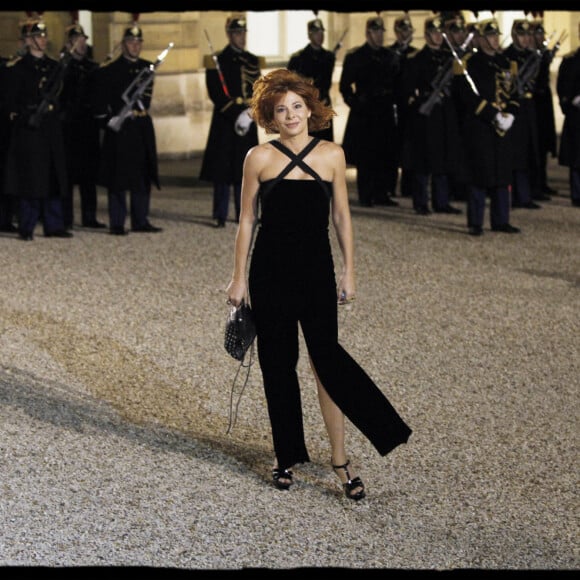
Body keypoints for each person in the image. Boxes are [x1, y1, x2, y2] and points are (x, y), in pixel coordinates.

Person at [226, 69, 412, 499]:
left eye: (296, 106)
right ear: (270, 116)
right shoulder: (258, 158)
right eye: (280, 110)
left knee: (326, 363)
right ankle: (285, 455)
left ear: (311, 108)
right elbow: (246, 221)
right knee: (278, 364)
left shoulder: (332, 155)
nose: (290, 115)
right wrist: (238, 277)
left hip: (316, 271)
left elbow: (342, 216)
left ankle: (341, 461)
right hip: (269, 272)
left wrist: (350, 269)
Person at [3, 19, 72, 241]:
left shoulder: (54, 67)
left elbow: (62, 97)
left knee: (53, 176)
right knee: (30, 179)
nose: (42, 40)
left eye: (44, 36)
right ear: (28, 40)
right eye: (37, 37)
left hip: (50, 130)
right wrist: (27, 113)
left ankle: (54, 224)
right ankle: (27, 225)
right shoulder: (17, 68)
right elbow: (10, 102)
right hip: (29, 131)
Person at [452, 18, 522, 235]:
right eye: (489, 36)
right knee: (479, 175)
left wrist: (510, 113)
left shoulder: (507, 63)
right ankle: (475, 221)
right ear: (480, 39)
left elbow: (514, 93)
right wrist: (492, 114)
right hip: (480, 126)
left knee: (502, 174)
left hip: (503, 127)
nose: (494, 40)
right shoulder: (468, 63)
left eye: (495, 35)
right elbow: (466, 96)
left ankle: (501, 219)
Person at [92, 24, 162, 236]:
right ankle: (117, 222)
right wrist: (109, 120)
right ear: (123, 44)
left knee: (142, 174)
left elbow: (146, 100)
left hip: (140, 125)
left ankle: (140, 219)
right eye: (131, 42)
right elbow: (102, 104)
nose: (135, 46)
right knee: (118, 176)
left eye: (138, 42)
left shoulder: (146, 68)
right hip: (121, 129)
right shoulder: (110, 71)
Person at [199, 16, 263, 228]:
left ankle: (244, 212)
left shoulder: (253, 60)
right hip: (226, 121)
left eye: (243, 33)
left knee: (246, 169)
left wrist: (251, 112)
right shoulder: (217, 61)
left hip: (249, 117)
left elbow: (259, 91)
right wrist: (238, 113)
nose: (241, 37)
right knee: (223, 169)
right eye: (237, 33)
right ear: (229, 35)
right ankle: (220, 214)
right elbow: (216, 94)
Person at [399, 15, 463, 215]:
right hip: (426, 118)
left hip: (445, 115)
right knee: (424, 161)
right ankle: (421, 202)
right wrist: (422, 102)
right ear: (426, 35)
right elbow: (407, 91)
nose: (437, 37)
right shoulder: (417, 60)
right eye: (433, 33)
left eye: (440, 33)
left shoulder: (449, 58)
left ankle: (441, 201)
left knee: (443, 159)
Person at [339, 16, 400, 207]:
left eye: (382, 32)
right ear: (368, 33)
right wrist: (356, 104)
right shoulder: (356, 57)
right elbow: (345, 87)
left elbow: (397, 84)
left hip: (384, 112)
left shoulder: (390, 56)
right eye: (376, 32)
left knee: (384, 153)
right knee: (365, 156)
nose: (379, 36)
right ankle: (366, 194)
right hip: (365, 113)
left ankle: (382, 193)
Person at [60, 23, 105, 230]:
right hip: (69, 127)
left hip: (88, 127)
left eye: (84, 40)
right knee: (68, 177)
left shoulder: (91, 68)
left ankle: (89, 217)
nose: (83, 44)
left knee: (89, 175)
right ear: (69, 43)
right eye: (79, 40)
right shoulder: (61, 67)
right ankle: (66, 218)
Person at [503, 19, 542, 210]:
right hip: (514, 107)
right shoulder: (506, 56)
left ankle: (527, 194)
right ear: (513, 35)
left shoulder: (532, 56)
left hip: (529, 107)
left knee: (529, 151)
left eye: (527, 35)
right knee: (515, 153)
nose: (525, 39)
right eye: (521, 35)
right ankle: (516, 195)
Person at [287, 18, 336, 142]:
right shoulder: (298, 58)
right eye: (316, 33)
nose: (320, 36)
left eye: (321, 32)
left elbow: (326, 84)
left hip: (324, 106)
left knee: (325, 146)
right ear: (309, 35)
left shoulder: (329, 57)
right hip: (306, 108)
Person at [388, 14, 418, 198]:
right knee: (392, 147)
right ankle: (390, 185)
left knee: (410, 148)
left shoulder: (416, 53)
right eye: (402, 31)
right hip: (392, 105)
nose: (405, 34)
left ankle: (409, 186)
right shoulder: (389, 53)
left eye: (408, 31)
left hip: (411, 107)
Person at [530, 18, 559, 201]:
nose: (541, 37)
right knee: (535, 147)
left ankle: (542, 182)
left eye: (542, 33)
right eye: (538, 34)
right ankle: (535, 186)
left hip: (543, 102)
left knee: (544, 145)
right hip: (533, 103)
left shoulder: (541, 54)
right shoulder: (531, 55)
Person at [556, 22, 580, 208]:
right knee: (577, 158)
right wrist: (571, 101)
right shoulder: (571, 60)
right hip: (576, 115)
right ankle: (577, 193)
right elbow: (562, 86)